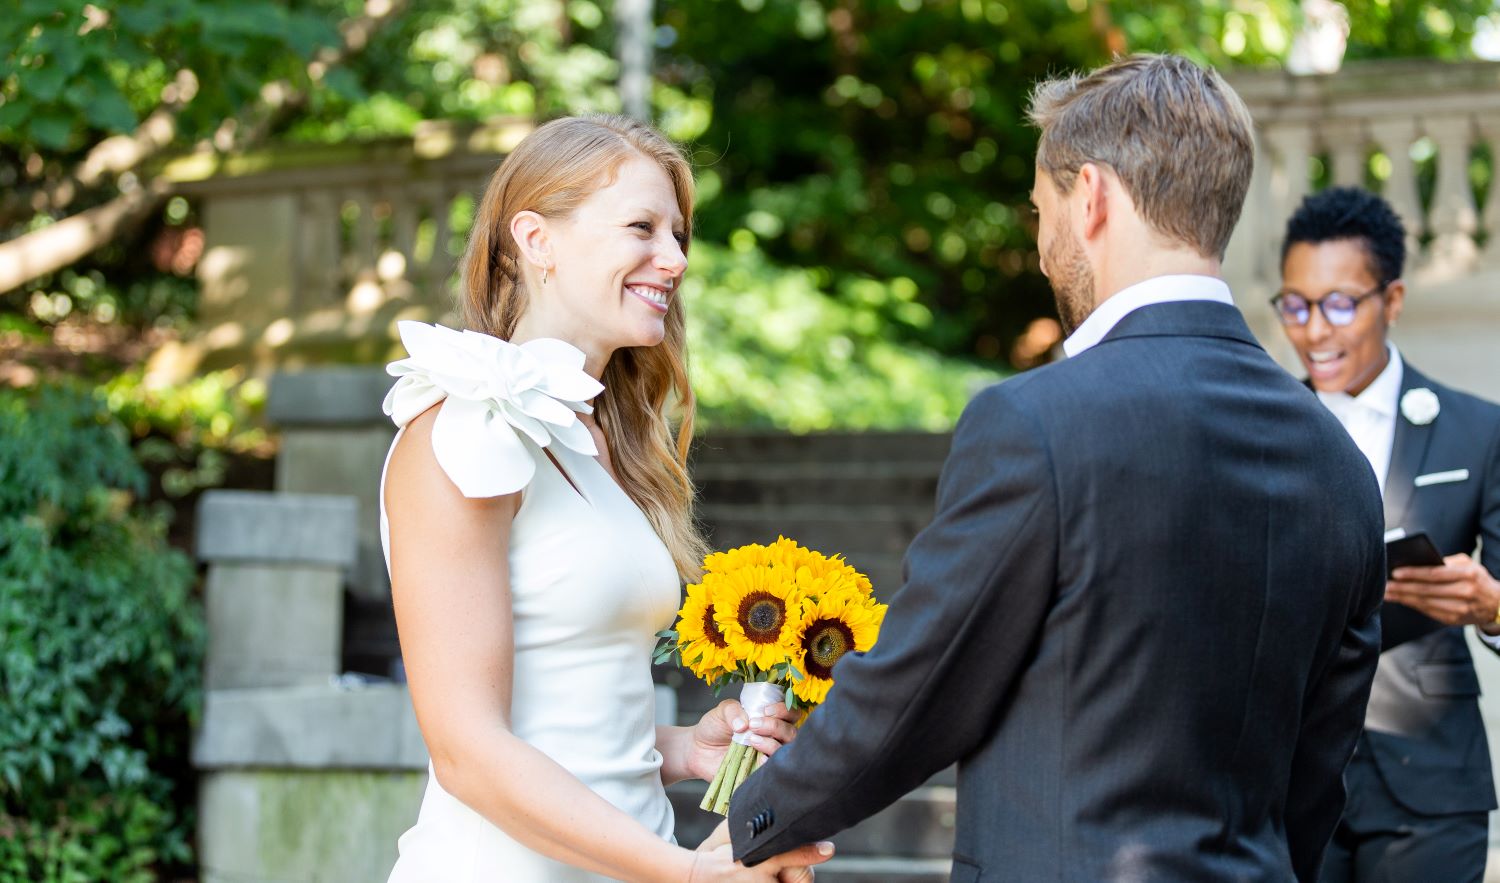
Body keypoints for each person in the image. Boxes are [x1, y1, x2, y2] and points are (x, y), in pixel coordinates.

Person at [719, 54, 1386, 881]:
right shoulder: (1341, 461)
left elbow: (919, 685)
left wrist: (750, 821)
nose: (1040, 250)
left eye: (1042, 210)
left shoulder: (1035, 423)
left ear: (1094, 197)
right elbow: (1321, 768)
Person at [378, 114, 832, 882]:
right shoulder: (462, 430)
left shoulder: (602, 438)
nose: (675, 258)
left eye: (679, 234)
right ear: (536, 238)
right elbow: (469, 751)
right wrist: (688, 872)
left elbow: (564, 709)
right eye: (643, 228)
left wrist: (683, 746)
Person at [1274, 186, 1500, 883]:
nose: (1315, 330)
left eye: (1341, 303)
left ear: (1392, 300)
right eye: (1296, 305)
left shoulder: (1479, 429)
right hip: (1286, 775)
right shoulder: (1256, 426)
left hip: (1430, 783)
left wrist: (1492, 606)